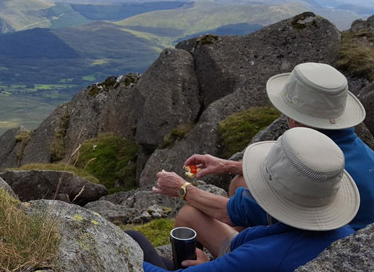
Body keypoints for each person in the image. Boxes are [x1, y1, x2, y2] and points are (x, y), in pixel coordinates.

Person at [153, 62, 374, 232]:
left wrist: (182, 188)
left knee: (189, 215)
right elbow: (287, 173)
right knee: (240, 182)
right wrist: (226, 165)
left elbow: (229, 212)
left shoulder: (319, 172)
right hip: (339, 234)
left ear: (295, 118)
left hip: (318, 248)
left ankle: (238, 255)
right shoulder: (357, 154)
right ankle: (242, 242)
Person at [130, 128, 359, 272]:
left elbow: (246, 252)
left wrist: (107, 250)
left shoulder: (263, 256)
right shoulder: (345, 233)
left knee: (132, 239)